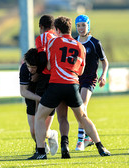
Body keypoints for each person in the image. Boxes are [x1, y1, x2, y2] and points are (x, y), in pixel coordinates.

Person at [28, 16, 110, 160]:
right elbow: (81, 72)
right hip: (72, 86)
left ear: (57, 30)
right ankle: (100, 146)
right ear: (71, 28)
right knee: (83, 117)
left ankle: (41, 152)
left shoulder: (53, 41)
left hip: (56, 85)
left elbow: (48, 65)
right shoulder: (80, 46)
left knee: (41, 116)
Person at [35, 14, 70, 157]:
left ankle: (42, 147)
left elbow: (43, 60)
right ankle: (50, 140)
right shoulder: (58, 37)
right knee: (64, 114)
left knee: (39, 115)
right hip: (62, 78)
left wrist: (36, 73)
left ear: (41, 27)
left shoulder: (42, 38)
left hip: (46, 77)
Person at [74, 14, 109, 151]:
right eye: (78, 25)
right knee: (79, 110)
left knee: (82, 106)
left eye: (83, 25)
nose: (81, 28)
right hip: (76, 79)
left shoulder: (95, 42)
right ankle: (88, 138)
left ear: (88, 26)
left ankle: (80, 140)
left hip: (90, 79)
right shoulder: (74, 42)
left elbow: (104, 61)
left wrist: (103, 75)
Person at [19, 48, 58, 155]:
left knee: (44, 132)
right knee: (34, 132)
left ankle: (52, 134)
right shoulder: (24, 69)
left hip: (47, 96)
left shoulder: (47, 68)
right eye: (28, 66)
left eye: (33, 67)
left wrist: (45, 99)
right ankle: (42, 146)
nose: (30, 70)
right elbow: (23, 92)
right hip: (32, 97)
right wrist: (40, 99)